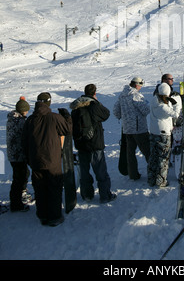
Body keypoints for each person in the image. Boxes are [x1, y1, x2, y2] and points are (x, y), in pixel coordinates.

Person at [22, 92, 72, 226]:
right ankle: (54, 216)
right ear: (48, 102)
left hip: (35, 160)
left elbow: (24, 141)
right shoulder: (54, 118)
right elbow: (68, 130)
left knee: (39, 187)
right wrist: (67, 117)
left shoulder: (30, 120)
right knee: (54, 187)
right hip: (52, 160)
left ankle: (42, 214)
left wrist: (29, 158)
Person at [70, 84, 116, 203]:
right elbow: (106, 114)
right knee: (100, 171)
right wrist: (97, 102)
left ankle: (87, 194)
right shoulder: (93, 105)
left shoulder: (75, 107)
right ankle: (105, 195)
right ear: (94, 93)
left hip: (81, 143)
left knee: (84, 171)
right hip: (95, 142)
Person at [113, 77, 150, 180]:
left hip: (127, 130)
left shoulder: (122, 96)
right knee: (147, 151)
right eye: (141, 85)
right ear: (137, 85)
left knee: (130, 153)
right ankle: (153, 172)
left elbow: (116, 111)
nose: (141, 87)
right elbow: (146, 110)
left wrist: (125, 118)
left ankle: (133, 174)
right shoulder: (136, 96)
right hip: (140, 129)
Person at [147, 83, 181, 187]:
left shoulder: (154, 101)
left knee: (153, 156)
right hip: (163, 133)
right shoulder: (162, 107)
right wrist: (176, 104)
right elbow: (175, 114)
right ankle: (161, 181)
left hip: (153, 132)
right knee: (163, 157)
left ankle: (151, 178)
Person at [6, 96, 31, 212]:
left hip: (13, 154)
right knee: (19, 178)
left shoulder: (12, 119)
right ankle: (16, 204)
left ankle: (19, 196)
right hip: (18, 155)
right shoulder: (20, 122)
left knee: (23, 175)